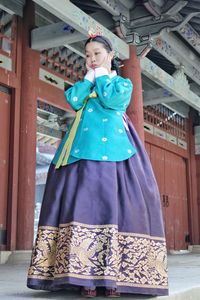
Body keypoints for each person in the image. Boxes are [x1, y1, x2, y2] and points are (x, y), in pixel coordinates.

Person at [27, 35, 168, 297]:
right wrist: (88, 79)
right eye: (88, 55)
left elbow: (114, 101)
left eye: (97, 54)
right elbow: (73, 100)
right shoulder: (86, 85)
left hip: (116, 154)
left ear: (110, 55)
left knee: (115, 209)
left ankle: (112, 277)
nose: (91, 59)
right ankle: (83, 277)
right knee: (81, 209)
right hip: (80, 153)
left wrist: (102, 76)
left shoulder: (121, 83)